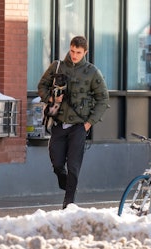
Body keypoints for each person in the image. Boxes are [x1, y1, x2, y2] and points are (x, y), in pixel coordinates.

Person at [38, 36, 109, 209]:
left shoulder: (92, 72)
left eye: (78, 52)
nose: (74, 55)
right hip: (59, 123)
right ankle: (65, 181)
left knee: (74, 166)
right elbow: (42, 87)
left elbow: (103, 99)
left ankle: (68, 203)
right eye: (72, 51)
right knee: (56, 162)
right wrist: (52, 98)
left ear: (85, 52)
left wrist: (89, 123)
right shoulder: (58, 66)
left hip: (79, 125)